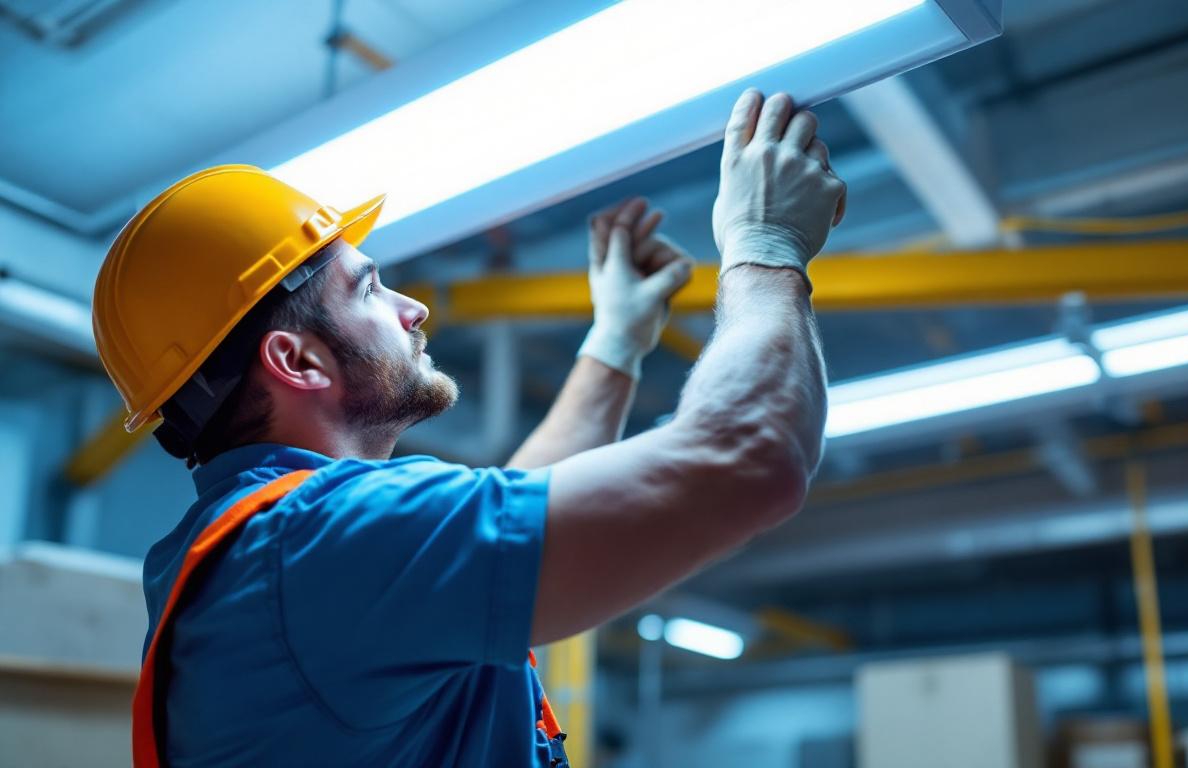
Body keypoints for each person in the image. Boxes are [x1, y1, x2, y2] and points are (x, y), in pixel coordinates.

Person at [93, 88, 845, 767]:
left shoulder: (266, 555)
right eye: (370, 289)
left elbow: (514, 504)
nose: (412, 309)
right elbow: (749, 454)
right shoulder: (317, 542)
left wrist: (616, 340)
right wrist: (763, 247)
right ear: (298, 359)